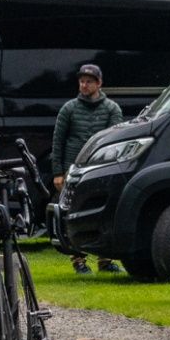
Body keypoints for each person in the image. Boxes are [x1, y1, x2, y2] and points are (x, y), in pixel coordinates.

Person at [51, 64, 125, 272]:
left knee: (105, 212)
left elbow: (116, 140)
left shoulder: (112, 109)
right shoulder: (69, 109)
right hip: (73, 170)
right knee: (73, 214)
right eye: (82, 81)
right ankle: (78, 260)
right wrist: (58, 172)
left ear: (99, 83)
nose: (84, 85)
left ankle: (105, 259)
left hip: (103, 169)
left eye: (89, 81)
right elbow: (58, 142)